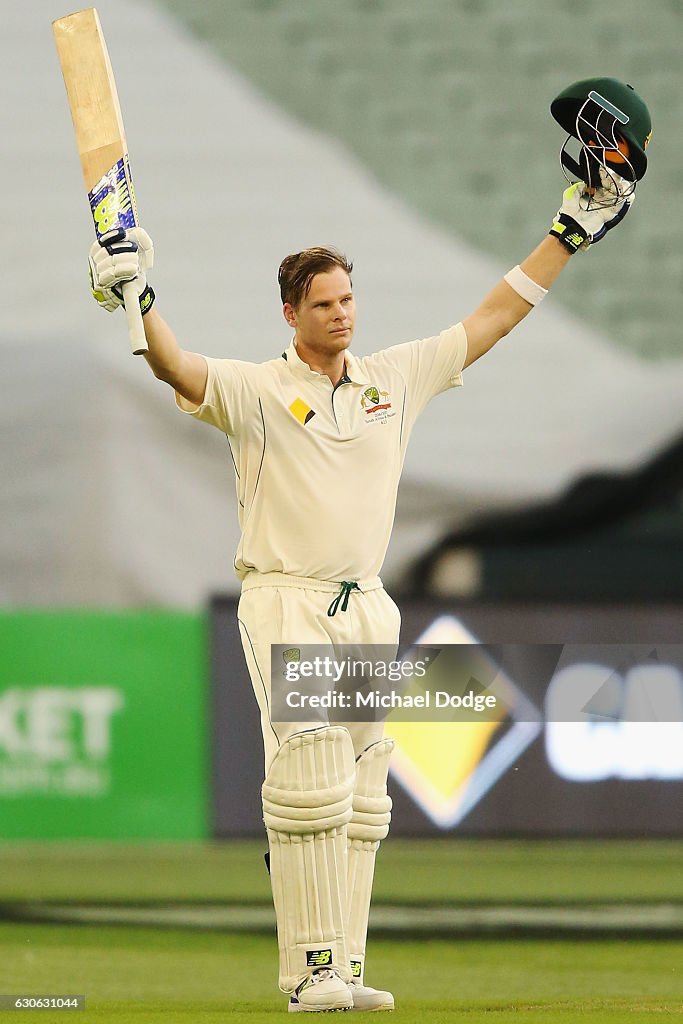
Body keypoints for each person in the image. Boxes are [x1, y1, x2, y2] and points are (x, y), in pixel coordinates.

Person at [88, 149, 634, 1010]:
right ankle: (307, 974)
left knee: (361, 796)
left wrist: (568, 231)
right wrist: (134, 298)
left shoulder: (392, 380)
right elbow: (174, 367)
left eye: (348, 299)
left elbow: (493, 317)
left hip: (364, 601)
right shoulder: (257, 390)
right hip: (285, 596)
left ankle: (343, 967)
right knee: (306, 787)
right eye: (324, 304)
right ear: (290, 313)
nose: (342, 315)